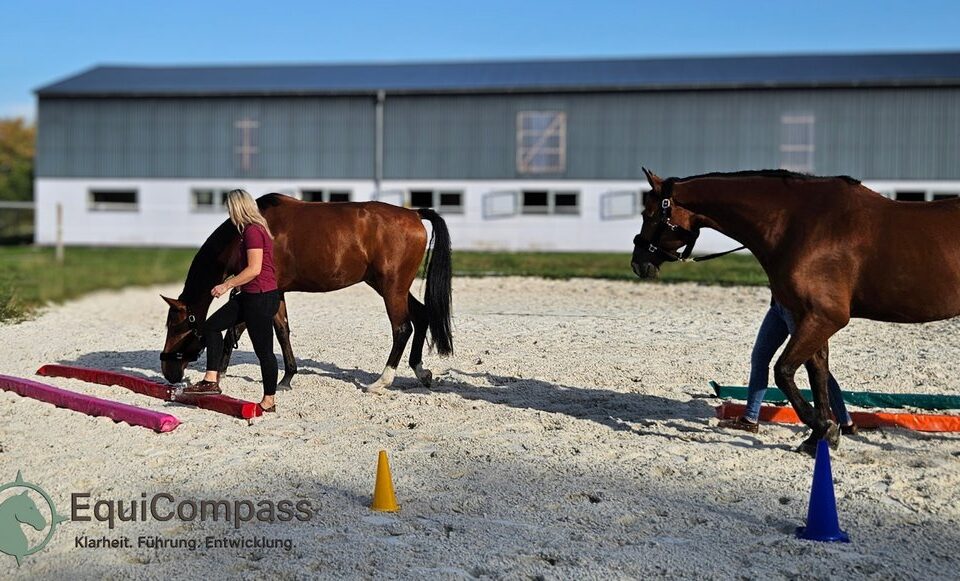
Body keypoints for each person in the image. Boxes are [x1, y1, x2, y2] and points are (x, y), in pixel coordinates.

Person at [183, 189, 280, 413]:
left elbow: (254, 269)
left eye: (230, 208)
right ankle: (211, 380)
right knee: (211, 327)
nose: (229, 212)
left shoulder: (254, 232)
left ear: (238, 208)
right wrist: (232, 279)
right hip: (249, 296)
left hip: (261, 298)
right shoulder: (249, 231)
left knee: (264, 351)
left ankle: (269, 400)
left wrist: (227, 285)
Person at [719, 298, 858, 435]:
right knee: (759, 358)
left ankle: (845, 422)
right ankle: (750, 419)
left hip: (796, 308)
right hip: (778, 305)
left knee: (816, 367)